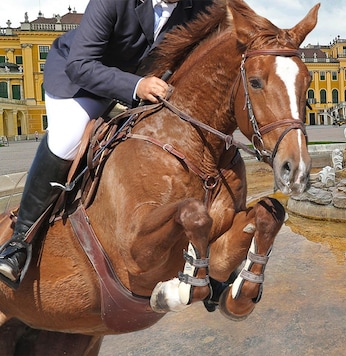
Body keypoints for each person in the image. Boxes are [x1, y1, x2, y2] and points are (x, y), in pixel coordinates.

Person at [0, 0, 213, 288]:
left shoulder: (202, 5)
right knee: (67, 140)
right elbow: (80, 65)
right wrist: (136, 86)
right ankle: (18, 243)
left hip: (139, 87)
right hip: (79, 80)